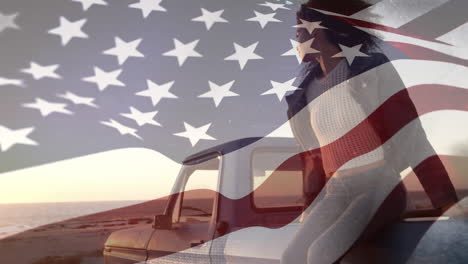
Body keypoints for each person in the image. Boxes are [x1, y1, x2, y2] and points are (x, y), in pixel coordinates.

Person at [282, 2, 459, 263]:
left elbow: (411, 135)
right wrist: (310, 207)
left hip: (377, 185)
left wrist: (446, 202)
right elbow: (312, 160)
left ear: (318, 31)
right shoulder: (305, 94)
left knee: (321, 253)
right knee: (292, 256)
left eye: (299, 31)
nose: (295, 38)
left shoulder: (370, 70)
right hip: (336, 192)